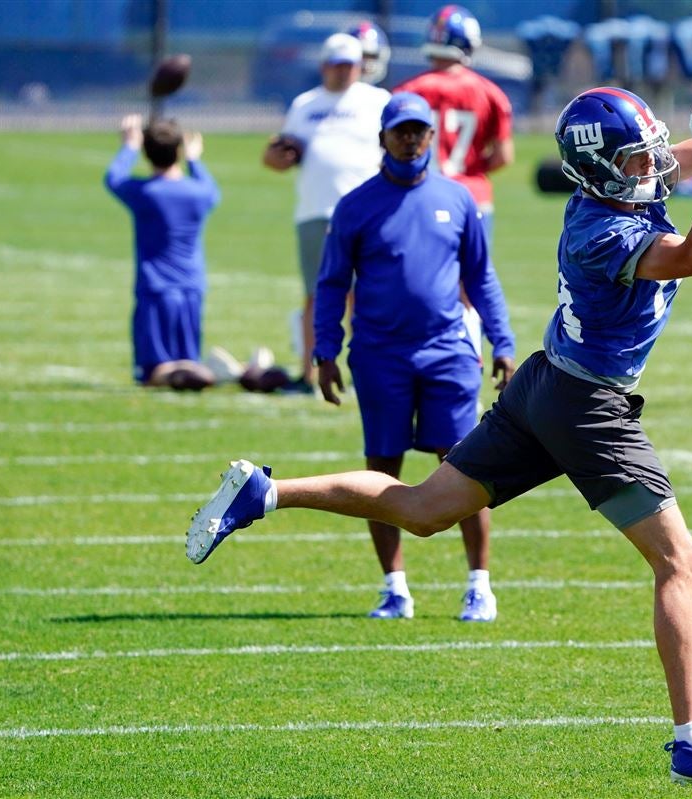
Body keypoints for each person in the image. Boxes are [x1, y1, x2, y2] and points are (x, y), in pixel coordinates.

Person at [186, 85, 692, 785]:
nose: (649, 168)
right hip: (587, 404)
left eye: (644, 154)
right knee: (679, 560)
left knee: (422, 509)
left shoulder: (619, 182)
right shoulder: (605, 231)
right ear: (597, 171)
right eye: (632, 160)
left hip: (544, 382)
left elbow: (675, 156)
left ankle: (267, 491)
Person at [313, 93, 516, 621]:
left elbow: (481, 277)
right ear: (382, 137)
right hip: (380, 355)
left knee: (466, 467)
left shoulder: (458, 198)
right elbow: (332, 282)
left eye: (419, 131)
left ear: (432, 136)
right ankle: (394, 586)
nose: (410, 139)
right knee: (382, 468)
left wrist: (503, 341)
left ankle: (479, 585)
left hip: (448, 352)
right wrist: (325, 349)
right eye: (401, 130)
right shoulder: (356, 205)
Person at [262, 32, 389, 393]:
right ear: (323, 66)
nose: (343, 72)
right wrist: (277, 157)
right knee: (316, 295)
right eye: (336, 65)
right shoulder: (305, 104)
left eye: (349, 65)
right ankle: (309, 372)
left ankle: (368, 373)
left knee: (366, 296)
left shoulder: (377, 100)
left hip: (367, 214)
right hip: (315, 210)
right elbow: (277, 154)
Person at [104, 113, 220, 390]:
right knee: (186, 359)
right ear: (179, 150)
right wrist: (194, 160)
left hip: (156, 289)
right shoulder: (200, 193)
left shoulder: (145, 193)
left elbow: (113, 178)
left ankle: (175, 376)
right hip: (192, 288)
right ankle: (195, 373)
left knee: (153, 372)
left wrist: (129, 146)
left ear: (146, 152)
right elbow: (211, 188)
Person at [395, 5, 514, 242]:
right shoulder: (490, 93)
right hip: (472, 195)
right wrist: (470, 169)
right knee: (472, 276)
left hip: (422, 193)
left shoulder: (408, 91)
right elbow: (503, 156)